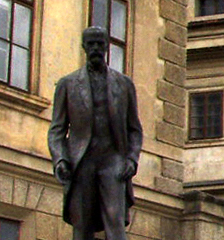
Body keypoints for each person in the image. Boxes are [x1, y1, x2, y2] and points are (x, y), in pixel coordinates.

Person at [48, 26, 143, 240]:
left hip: (113, 160)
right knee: (81, 225)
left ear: (107, 46)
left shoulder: (124, 84)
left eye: (100, 44)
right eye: (91, 44)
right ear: (84, 46)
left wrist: (131, 159)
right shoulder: (67, 84)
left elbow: (135, 130)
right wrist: (60, 159)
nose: (96, 48)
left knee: (115, 223)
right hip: (82, 161)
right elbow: (57, 130)